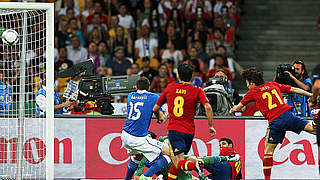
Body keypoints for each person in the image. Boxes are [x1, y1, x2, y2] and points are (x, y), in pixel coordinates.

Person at [229, 67, 316, 180]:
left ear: (252, 82)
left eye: (247, 83)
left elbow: (238, 108)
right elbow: (295, 89)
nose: (247, 86)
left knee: (268, 152)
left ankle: (267, 179)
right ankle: (316, 117)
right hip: (288, 115)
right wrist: (311, 96)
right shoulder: (272, 84)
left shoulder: (252, 92)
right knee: (313, 130)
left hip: (276, 122)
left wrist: (231, 110)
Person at [153, 64, 216, 180]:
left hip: (175, 130)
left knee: (178, 162)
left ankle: (195, 164)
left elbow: (155, 109)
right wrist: (210, 125)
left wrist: (159, 117)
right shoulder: (197, 90)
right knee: (176, 160)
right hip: (189, 132)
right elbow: (207, 107)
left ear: (178, 75)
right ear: (191, 77)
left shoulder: (170, 88)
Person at [121, 77, 170, 180]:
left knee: (137, 157)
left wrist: (157, 114)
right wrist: (164, 115)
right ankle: (146, 177)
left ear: (136, 87)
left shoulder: (130, 96)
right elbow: (161, 118)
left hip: (125, 135)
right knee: (168, 154)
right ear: (148, 88)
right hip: (138, 138)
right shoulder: (153, 97)